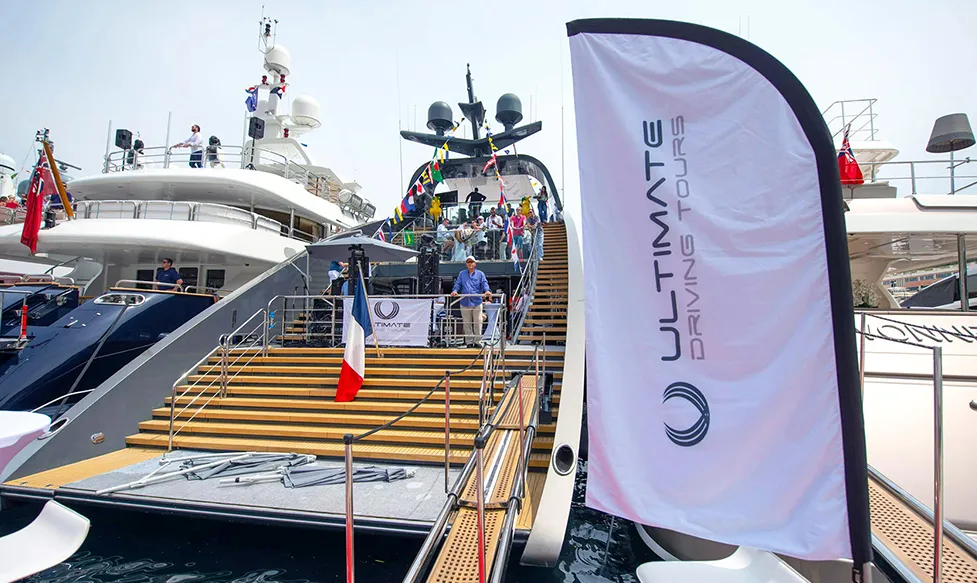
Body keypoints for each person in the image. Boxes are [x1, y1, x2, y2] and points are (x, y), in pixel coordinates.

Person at [451, 255, 492, 346]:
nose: (470, 264)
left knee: (478, 322)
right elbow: (458, 284)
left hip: (477, 302)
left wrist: (487, 291)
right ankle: (469, 342)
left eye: (471, 262)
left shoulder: (480, 274)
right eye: (468, 262)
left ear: (475, 264)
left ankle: (477, 341)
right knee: (467, 323)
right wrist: (454, 291)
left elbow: (484, 283)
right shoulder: (462, 273)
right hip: (465, 302)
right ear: (466, 264)